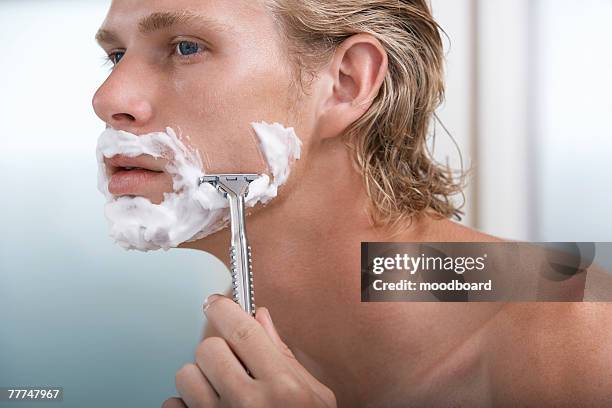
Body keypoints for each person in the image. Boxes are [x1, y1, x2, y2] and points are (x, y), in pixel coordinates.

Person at [92, 0, 612, 406]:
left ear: (345, 84)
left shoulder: (578, 325)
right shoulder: (245, 334)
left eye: (186, 47)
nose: (108, 98)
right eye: (116, 55)